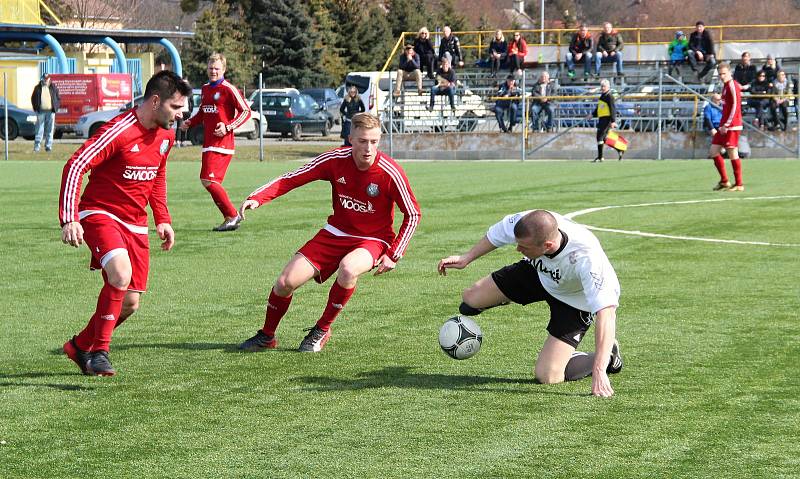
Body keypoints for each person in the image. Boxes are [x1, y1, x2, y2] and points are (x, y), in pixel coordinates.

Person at [237, 113, 421, 353]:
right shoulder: (335, 159)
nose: (369, 148)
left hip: (373, 239)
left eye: (374, 142)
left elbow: (413, 214)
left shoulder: (390, 172)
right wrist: (257, 198)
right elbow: (292, 178)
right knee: (284, 283)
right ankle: (267, 336)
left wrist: (394, 254)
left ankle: (322, 329)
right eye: (363, 141)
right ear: (350, 138)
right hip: (335, 232)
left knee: (348, 268)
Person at [58, 70, 191, 376]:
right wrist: (69, 218)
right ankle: (100, 352)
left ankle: (79, 347)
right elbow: (76, 164)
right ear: (155, 101)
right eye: (176, 107)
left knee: (130, 303)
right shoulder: (118, 130)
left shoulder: (166, 136)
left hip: (135, 223)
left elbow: (157, 176)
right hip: (99, 213)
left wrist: (163, 218)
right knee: (120, 273)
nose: (181, 115)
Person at [437, 209, 623, 398]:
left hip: (574, 301)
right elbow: (497, 234)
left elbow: (606, 314)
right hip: (538, 274)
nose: (517, 249)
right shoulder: (527, 222)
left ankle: (608, 356)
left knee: (548, 375)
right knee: (470, 301)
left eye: (523, 247)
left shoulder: (588, 260)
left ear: (548, 245)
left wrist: (599, 370)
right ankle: (509, 296)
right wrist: (466, 258)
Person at [180, 53, 251, 232]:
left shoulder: (228, 89)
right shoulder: (205, 89)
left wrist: (227, 127)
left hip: (223, 144)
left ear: (223, 70)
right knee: (209, 181)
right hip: (209, 143)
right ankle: (229, 217)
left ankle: (232, 215)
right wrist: (190, 122)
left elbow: (246, 111)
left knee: (208, 180)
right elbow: (204, 112)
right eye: (211, 68)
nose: (213, 71)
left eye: (217, 69)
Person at [709, 62, 744, 192]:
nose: (722, 76)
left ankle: (739, 184)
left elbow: (735, 106)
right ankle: (724, 181)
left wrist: (727, 125)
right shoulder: (725, 86)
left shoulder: (733, 85)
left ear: (730, 73)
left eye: (724, 73)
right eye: (720, 74)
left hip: (732, 126)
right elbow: (728, 105)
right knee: (713, 151)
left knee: (732, 152)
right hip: (724, 125)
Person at [31, 73, 61, 153]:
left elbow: (58, 98)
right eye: (44, 78)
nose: (46, 80)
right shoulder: (37, 88)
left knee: (50, 130)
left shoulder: (53, 87)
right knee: (39, 129)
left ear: (49, 79)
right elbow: (33, 99)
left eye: (47, 78)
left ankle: (48, 147)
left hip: (51, 112)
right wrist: (36, 108)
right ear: (42, 78)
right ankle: (37, 147)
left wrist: (56, 107)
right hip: (41, 111)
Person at [589, 79, 617, 162]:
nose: (602, 88)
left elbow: (613, 109)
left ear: (608, 87)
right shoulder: (602, 96)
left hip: (607, 119)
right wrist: (592, 114)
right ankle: (620, 148)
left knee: (599, 136)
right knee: (604, 138)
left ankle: (600, 157)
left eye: (604, 86)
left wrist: (613, 121)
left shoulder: (609, 96)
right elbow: (599, 108)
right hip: (601, 118)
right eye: (601, 86)